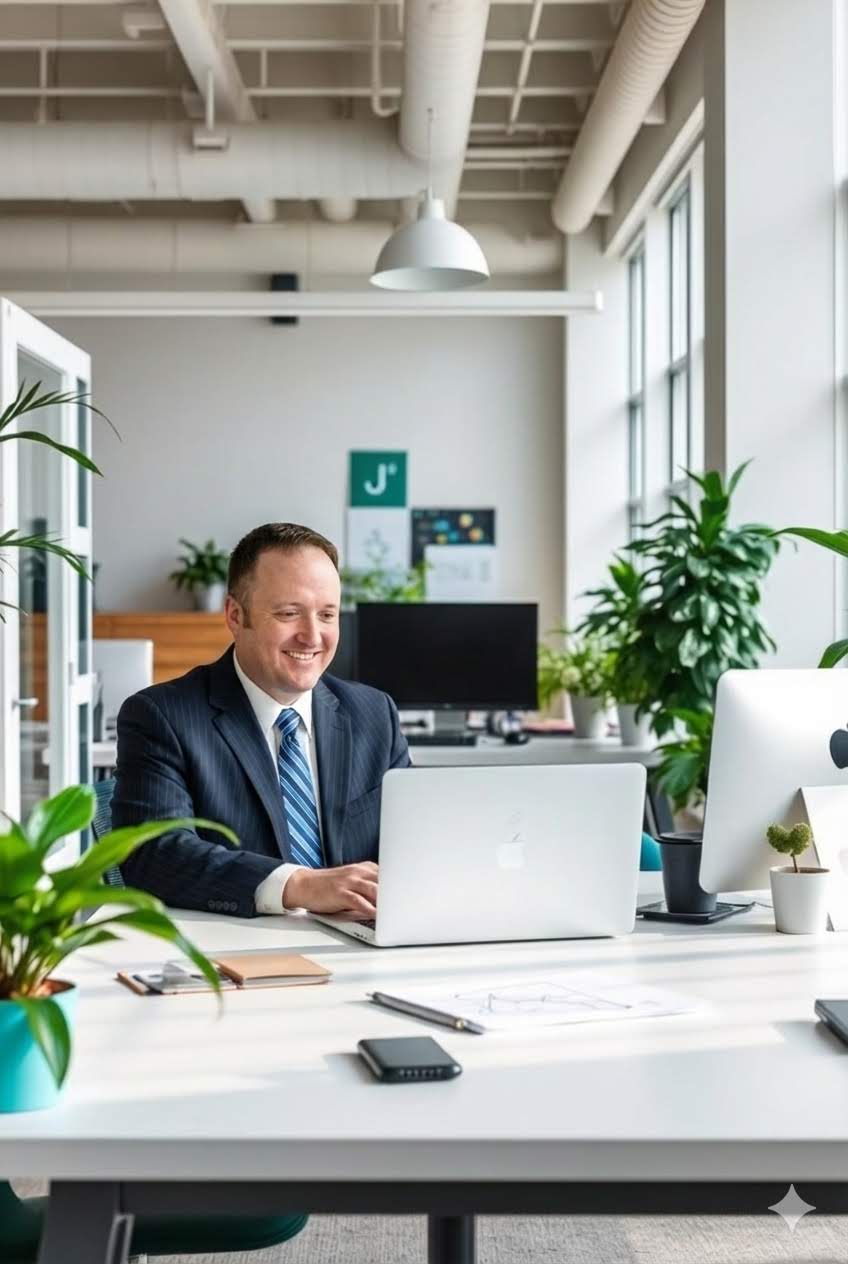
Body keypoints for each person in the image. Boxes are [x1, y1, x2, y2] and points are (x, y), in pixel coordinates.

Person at [114, 522, 411, 918]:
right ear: (236, 616)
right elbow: (154, 855)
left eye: (327, 614)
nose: (312, 636)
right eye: (289, 613)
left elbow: (417, 839)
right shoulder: (163, 716)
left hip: (362, 938)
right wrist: (298, 886)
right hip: (236, 944)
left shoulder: (374, 713)